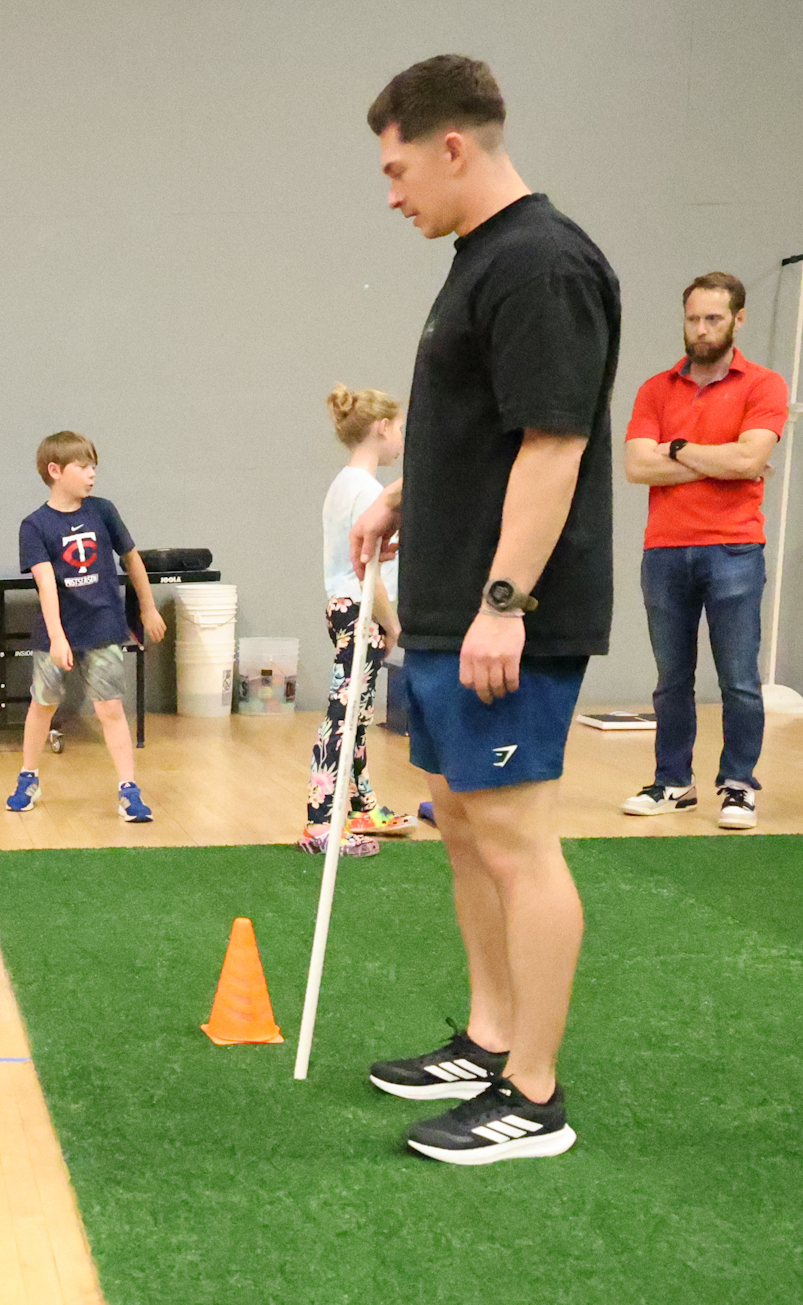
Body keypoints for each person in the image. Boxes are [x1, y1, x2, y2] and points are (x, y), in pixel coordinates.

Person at [352, 56, 620, 1164]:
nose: (389, 192)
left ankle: (533, 1096)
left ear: (449, 145)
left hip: (503, 615)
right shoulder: (480, 263)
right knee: (458, 822)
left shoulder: (540, 264)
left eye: (395, 165)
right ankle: (488, 1036)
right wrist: (407, 498)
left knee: (513, 838)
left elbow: (553, 447)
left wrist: (503, 603)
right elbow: (494, 427)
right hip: (446, 605)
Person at [620, 271, 788, 830]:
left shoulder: (764, 386)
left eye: (713, 318)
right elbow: (637, 467)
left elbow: (749, 461)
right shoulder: (655, 389)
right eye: (693, 318)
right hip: (665, 549)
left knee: (738, 677)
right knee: (672, 678)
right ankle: (673, 781)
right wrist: (714, 458)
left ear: (738, 319)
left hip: (735, 549)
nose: (701, 328)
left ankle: (738, 785)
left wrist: (678, 449)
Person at [2, 431, 168, 822]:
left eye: (94, 466)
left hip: (104, 626)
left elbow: (133, 560)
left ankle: (129, 790)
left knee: (110, 707)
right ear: (55, 470)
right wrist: (58, 637)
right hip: (56, 631)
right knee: (43, 704)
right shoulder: (35, 526)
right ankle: (28, 778)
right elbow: (46, 585)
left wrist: (147, 608)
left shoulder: (104, 511)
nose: (92, 474)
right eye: (84, 466)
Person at [299, 387, 412, 857]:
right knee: (344, 714)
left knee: (358, 712)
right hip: (360, 611)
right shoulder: (369, 491)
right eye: (400, 428)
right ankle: (320, 822)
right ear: (382, 427)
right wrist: (394, 625)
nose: (403, 438)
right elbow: (369, 572)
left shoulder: (344, 483)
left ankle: (360, 804)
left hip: (349, 609)